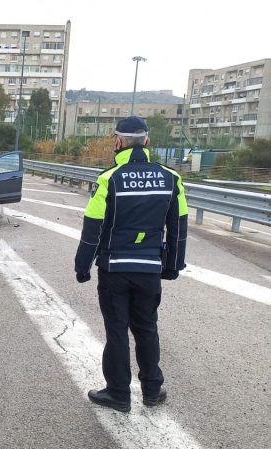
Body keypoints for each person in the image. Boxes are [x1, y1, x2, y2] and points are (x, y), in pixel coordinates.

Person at [74, 116, 188, 413]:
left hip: (115, 270)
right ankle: (152, 390)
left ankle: (118, 394)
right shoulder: (171, 178)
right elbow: (178, 225)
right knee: (147, 328)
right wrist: (173, 265)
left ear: (118, 141)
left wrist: (82, 265)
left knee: (117, 330)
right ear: (147, 141)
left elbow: (93, 226)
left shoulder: (109, 178)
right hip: (149, 269)